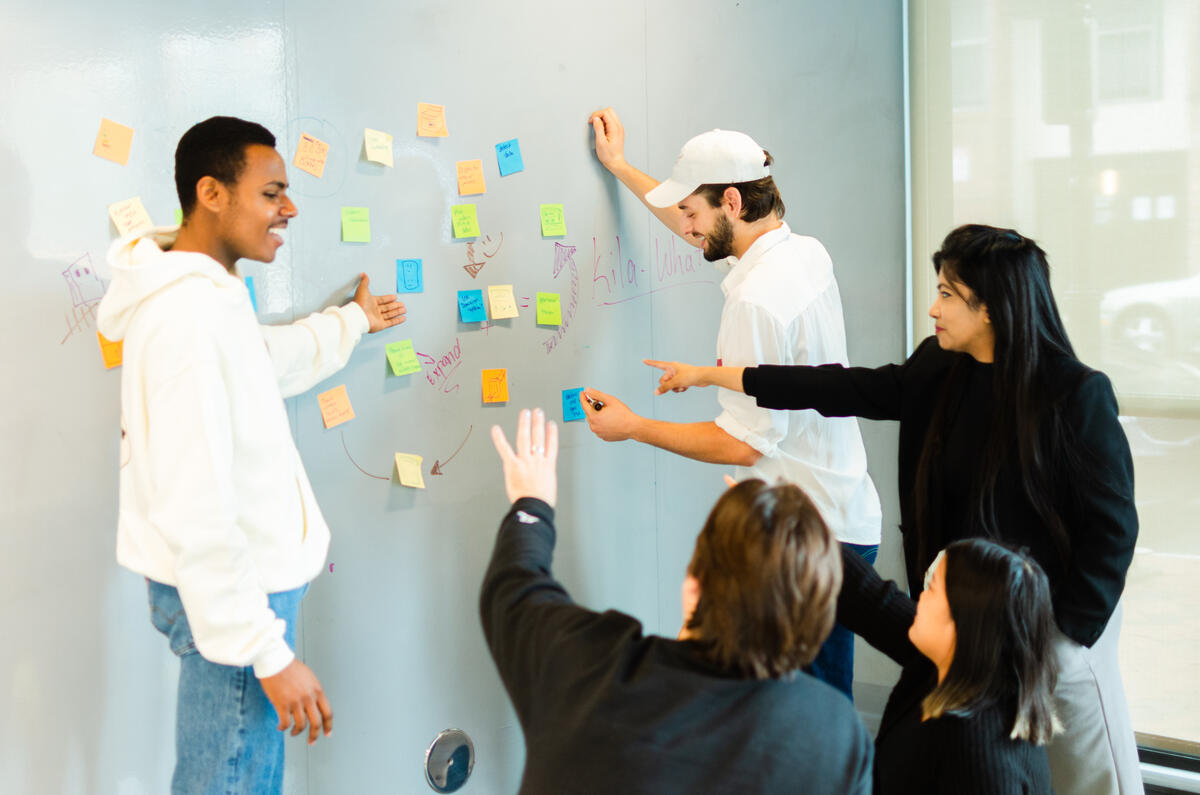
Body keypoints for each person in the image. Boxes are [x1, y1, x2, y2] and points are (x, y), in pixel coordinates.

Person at [647, 224, 1141, 794]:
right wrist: (715, 375)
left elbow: (1114, 528)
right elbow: (843, 388)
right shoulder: (941, 366)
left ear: (992, 308)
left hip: (1052, 623)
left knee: (1084, 778)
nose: (933, 308)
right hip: (965, 621)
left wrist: (1066, 634)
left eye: (948, 295)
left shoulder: (1074, 394)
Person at [96, 116, 406, 794]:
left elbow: (266, 360)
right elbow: (193, 501)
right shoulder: (186, 317)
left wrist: (353, 320)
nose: (288, 208)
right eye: (272, 193)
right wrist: (266, 651)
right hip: (234, 603)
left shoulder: (208, 300)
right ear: (211, 193)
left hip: (237, 595)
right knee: (229, 782)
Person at [581, 108, 882, 699]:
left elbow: (742, 446)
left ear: (734, 204)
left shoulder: (755, 300)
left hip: (806, 536)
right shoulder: (802, 252)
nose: (687, 228)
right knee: (815, 714)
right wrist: (619, 167)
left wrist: (634, 426)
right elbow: (699, 225)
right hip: (841, 516)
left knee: (801, 717)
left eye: (693, 212)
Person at [481, 408, 873, 794]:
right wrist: (783, 550)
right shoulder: (836, 733)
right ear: (820, 615)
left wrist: (532, 504)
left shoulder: (589, 669)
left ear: (692, 585)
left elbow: (515, 586)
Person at [839, 537, 1057, 793]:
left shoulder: (980, 756)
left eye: (931, 590)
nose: (920, 598)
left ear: (960, 624)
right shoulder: (960, 663)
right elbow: (874, 602)